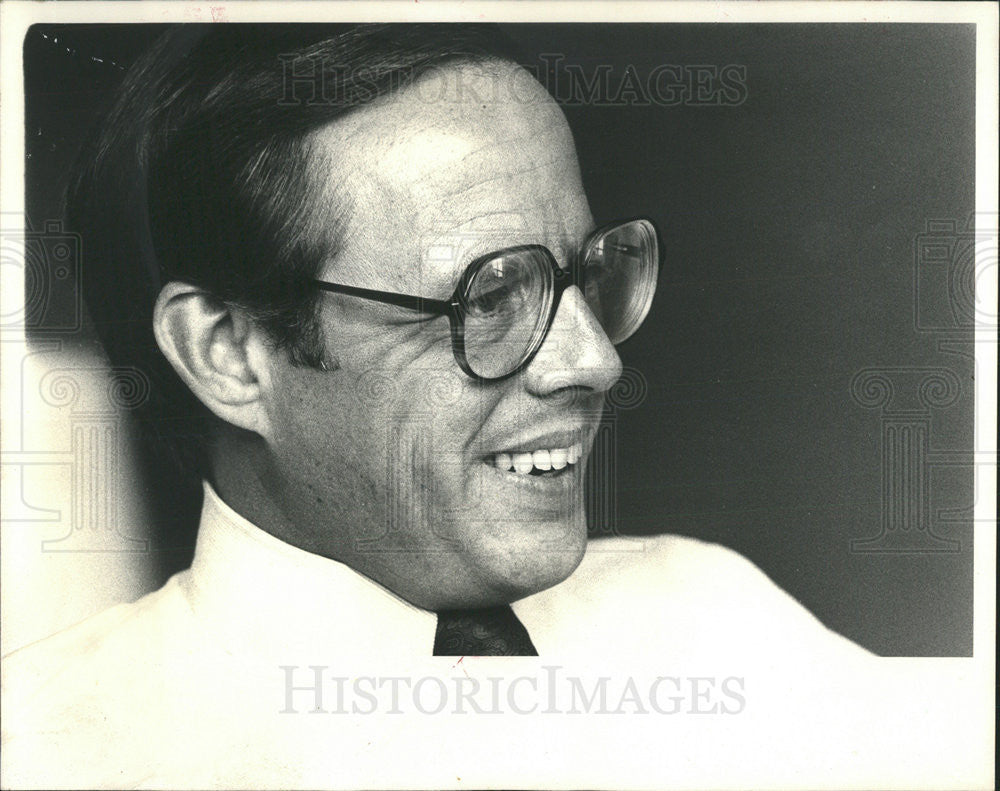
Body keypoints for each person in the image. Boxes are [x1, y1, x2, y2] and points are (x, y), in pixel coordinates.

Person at [2, 23, 875, 788]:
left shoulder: (717, 621)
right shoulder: (45, 752)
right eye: (489, 296)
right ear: (227, 353)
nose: (596, 361)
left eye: (580, 275)